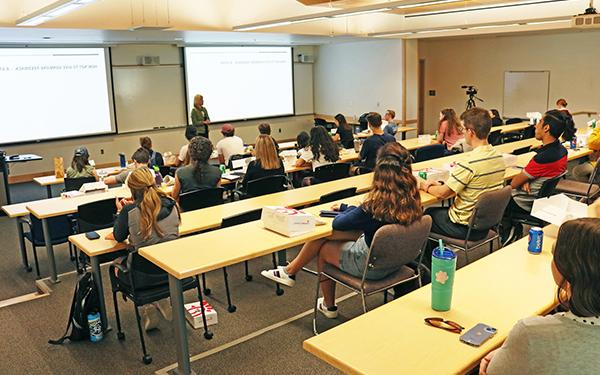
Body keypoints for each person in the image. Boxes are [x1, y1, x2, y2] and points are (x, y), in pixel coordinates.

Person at [261, 142, 422, 317]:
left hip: (373, 265)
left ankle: (327, 304)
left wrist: (347, 211)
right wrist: (347, 207)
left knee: (324, 246)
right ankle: (289, 271)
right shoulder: (412, 196)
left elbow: (339, 223)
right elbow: (362, 216)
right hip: (398, 258)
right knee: (325, 236)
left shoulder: (376, 205)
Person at [480, 218, 600, 375]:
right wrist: (514, 354)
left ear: (567, 268)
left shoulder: (532, 333)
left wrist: (513, 352)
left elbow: (492, 372)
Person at [107, 168, 181, 331]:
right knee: (156, 253)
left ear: (132, 190)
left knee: (120, 263)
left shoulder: (129, 211)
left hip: (141, 277)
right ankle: (162, 301)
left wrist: (121, 212)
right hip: (172, 269)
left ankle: (147, 307)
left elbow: (118, 236)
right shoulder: (172, 204)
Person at [420, 108, 505, 243]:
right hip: (486, 222)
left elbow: (442, 194)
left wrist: (426, 186)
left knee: (427, 215)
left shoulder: (470, 162)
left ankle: (428, 260)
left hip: (464, 226)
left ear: (471, 132)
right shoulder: (498, 157)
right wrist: (443, 185)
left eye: (464, 130)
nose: (463, 133)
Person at [508, 110, 571, 214]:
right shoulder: (562, 151)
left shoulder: (542, 158)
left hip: (523, 202)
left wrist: (524, 179)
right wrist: (526, 179)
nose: (535, 126)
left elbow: (513, 184)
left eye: (539, 122)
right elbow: (539, 174)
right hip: (541, 199)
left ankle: (505, 227)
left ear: (546, 128)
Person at [172, 136, 221, 201]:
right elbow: (218, 195)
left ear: (189, 153)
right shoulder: (217, 172)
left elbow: (174, 197)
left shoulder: (180, 173)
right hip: (212, 208)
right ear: (210, 154)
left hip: (188, 209)